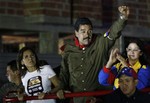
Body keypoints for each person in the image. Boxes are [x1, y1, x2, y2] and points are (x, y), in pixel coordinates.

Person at [58, 6, 130, 103]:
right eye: (83, 31)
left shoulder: (100, 43)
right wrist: (60, 89)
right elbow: (64, 74)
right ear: (76, 33)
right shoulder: (68, 50)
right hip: (77, 99)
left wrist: (122, 18)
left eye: (89, 31)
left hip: (100, 98)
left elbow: (113, 33)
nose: (87, 35)